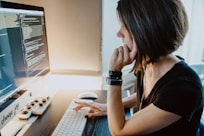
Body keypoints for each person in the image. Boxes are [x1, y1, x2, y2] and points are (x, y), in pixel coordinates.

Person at [74, 0, 203, 135]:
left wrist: (114, 74)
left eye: (124, 27)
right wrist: (109, 107)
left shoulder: (183, 88)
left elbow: (119, 131)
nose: (119, 34)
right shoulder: (148, 64)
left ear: (144, 31)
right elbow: (153, 96)